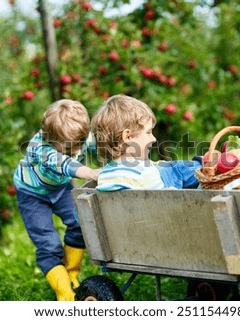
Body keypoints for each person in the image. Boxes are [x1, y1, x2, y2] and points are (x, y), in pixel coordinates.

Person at [13, 99, 100, 301]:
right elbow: (64, 164)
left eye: (79, 144)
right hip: (32, 194)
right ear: (49, 138)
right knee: (47, 243)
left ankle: (71, 274)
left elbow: (98, 142)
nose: (77, 151)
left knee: (79, 222)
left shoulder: (79, 139)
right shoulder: (39, 148)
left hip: (60, 188)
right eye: (69, 148)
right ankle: (63, 291)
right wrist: (90, 172)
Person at [90, 94, 201, 191]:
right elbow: (168, 201)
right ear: (128, 137)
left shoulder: (103, 176)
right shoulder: (146, 175)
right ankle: (207, 164)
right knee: (181, 170)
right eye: (148, 132)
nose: (153, 139)